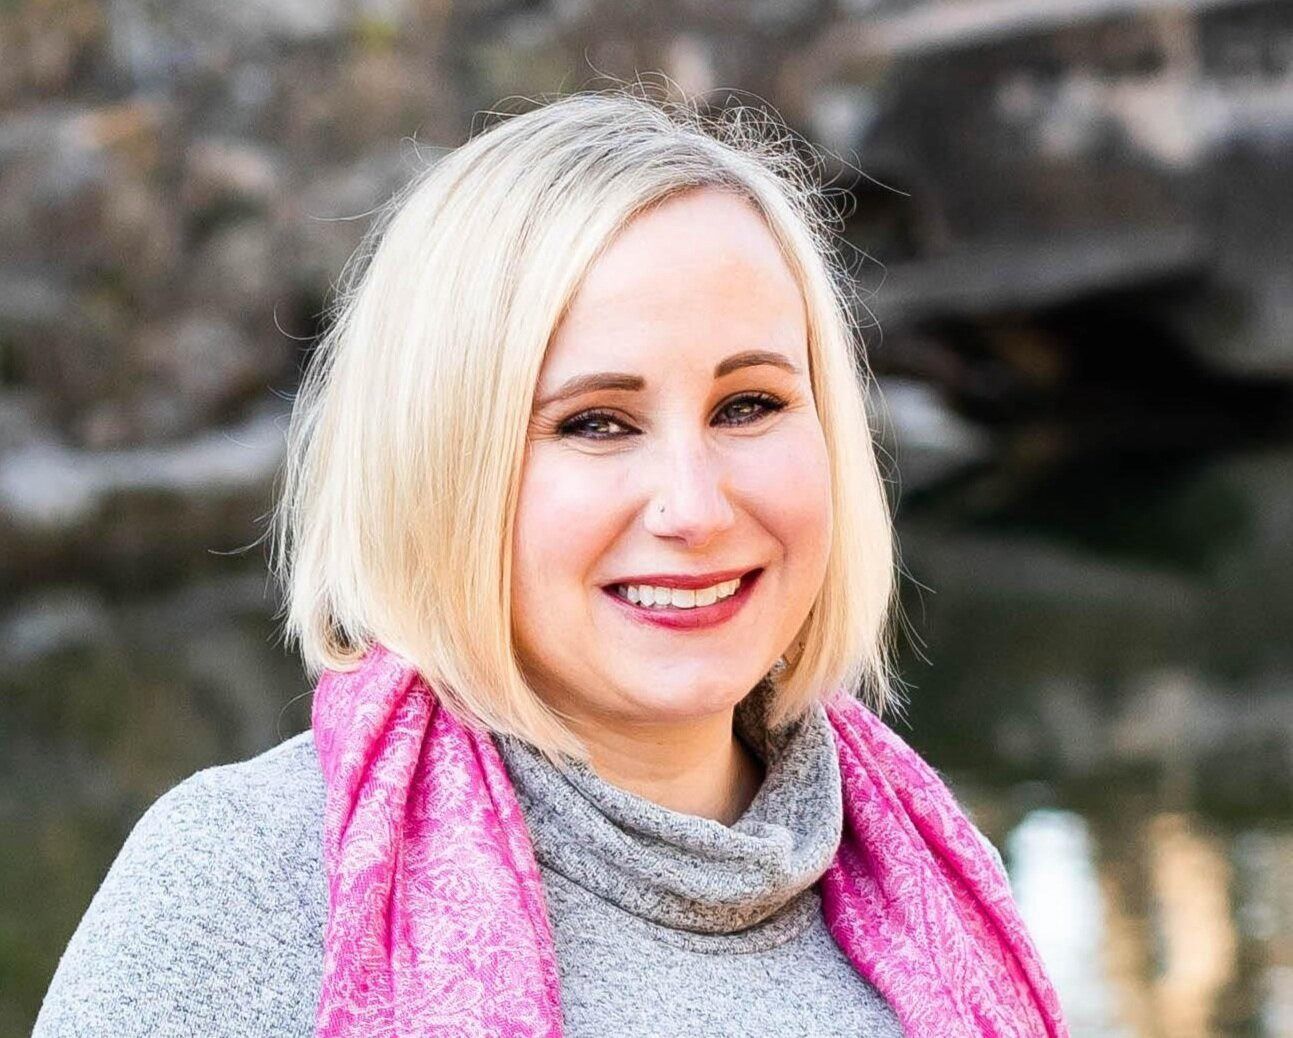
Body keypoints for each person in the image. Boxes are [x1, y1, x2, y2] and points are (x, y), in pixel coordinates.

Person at [33, 89, 1069, 1037]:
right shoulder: (246, 886)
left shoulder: (932, 885)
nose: (695, 507)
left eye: (747, 405)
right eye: (596, 423)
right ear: (442, 464)